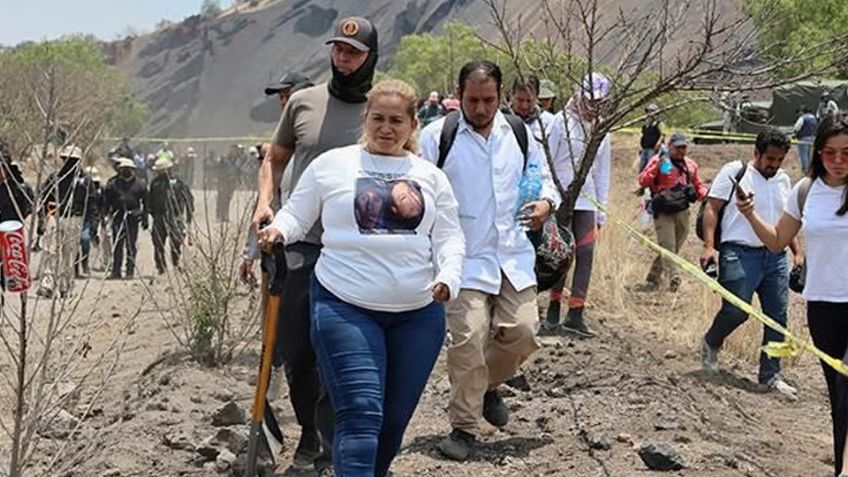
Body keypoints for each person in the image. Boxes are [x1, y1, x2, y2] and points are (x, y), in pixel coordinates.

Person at [259, 77, 463, 477]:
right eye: (378, 119)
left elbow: (450, 236)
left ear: (412, 126)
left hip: (418, 314)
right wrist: (279, 230)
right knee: (360, 413)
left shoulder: (430, 176)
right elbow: (298, 213)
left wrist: (450, 275)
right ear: (365, 118)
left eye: (396, 121)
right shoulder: (332, 165)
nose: (386, 129)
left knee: (391, 425)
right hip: (345, 306)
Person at [250, 16, 380, 472]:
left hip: (356, 248)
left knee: (339, 351)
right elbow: (276, 158)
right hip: (300, 242)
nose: (343, 59)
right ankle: (308, 430)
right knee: (298, 350)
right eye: (338, 51)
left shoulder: (379, 110)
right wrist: (266, 202)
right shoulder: (303, 102)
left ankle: (328, 444)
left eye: (353, 52)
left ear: (370, 57)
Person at [419, 60, 561, 461]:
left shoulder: (519, 135)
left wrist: (546, 204)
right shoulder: (438, 137)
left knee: (525, 333)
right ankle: (463, 429)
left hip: (513, 254)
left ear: (500, 97)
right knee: (468, 339)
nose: (480, 109)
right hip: (462, 259)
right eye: (472, 100)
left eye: (489, 100)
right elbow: (420, 190)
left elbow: (546, 178)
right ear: (459, 95)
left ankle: (485, 386)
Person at [735, 114, 848, 477]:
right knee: (838, 399)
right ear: (817, 154)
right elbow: (778, 241)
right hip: (823, 308)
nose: (838, 160)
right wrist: (750, 216)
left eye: (846, 152)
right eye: (829, 152)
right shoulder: (805, 191)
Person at [699, 129, 801, 398]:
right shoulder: (736, 171)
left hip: (775, 257)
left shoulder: (783, 180)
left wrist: (797, 253)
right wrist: (710, 247)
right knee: (737, 310)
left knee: (778, 318)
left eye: (780, 160)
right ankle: (711, 341)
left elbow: (786, 221)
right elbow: (712, 208)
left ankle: (771, 375)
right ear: (756, 152)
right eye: (770, 159)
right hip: (738, 252)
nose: (774, 165)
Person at [541, 72, 612, 337]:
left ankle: (576, 313)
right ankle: (553, 306)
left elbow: (602, 172)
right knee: (561, 254)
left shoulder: (602, 129)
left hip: (587, 200)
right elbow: (546, 160)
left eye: (599, 102)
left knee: (586, 253)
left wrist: (601, 210)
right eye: (590, 100)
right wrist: (550, 197)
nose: (593, 106)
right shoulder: (559, 123)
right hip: (560, 198)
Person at [637, 132, 708, 291]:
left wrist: (705, 195)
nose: (681, 150)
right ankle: (673, 277)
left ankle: (653, 276)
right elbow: (642, 180)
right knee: (668, 245)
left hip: (682, 210)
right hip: (663, 211)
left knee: (673, 248)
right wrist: (656, 167)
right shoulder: (658, 161)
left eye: (684, 147)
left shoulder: (690, 165)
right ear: (670, 146)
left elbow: (698, 184)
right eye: (678, 147)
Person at [37, 145, 94, 298]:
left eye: (73, 160)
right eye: (67, 159)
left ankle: (65, 285)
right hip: (54, 217)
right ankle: (47, 284)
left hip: (74, 218)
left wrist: (91, 225)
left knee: (69, 254)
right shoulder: (55, 178)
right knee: (50, 251)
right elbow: (44, 199)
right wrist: (41, 221)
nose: (69, 162)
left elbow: (91, 203)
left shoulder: (84, 180)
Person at [147, 156, 194, 275]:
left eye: (161, 170)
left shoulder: (178, 182)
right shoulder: (155, 183)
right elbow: (150, 200)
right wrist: (152, 213)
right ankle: (161, 267)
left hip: (175, 216)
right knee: (158, 242)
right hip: (159, 216)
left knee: (176, 241)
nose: (159, 172)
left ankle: (175, 263)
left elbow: (188, 198)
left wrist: (188, 214)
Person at [103, 158, 148, 280]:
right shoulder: (113, 184)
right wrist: (105, 216)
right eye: (123, 169)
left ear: (133, 170)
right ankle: (116, 271)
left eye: (128, 169)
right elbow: (106, 202)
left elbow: (146, 203)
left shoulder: (140, 184)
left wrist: (144, 218)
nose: (126, 171)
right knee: (117, 244)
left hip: (132, 218)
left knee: (131, 246)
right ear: (119, 170)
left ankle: (129, 271)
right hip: (118, 217)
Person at [77, 166, 104, 277]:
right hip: (77, 216)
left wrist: (96, 222)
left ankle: (85, 263)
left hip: (89, 218)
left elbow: (99, 206)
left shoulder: (100, 190)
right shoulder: (79, 187)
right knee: (74, 245)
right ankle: (75, 268)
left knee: (85, 240)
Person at [510, 75, 556, 141]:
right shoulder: (500, 120)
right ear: (512, 95)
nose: (524, 106)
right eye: (520, 100)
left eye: (529, 101)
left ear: (536, 98)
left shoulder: (549, 122)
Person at [215, 144, 245, 223]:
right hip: (223, 181)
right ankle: (219, 216)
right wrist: (217, 178)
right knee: (221, 198)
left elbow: (238, 171)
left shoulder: (238, 160)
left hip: (231, 183)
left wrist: (239, 181)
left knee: (228, 199)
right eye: (233, 150)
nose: (234, 152)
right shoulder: (223, 158)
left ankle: (225, 215)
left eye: (236, 150)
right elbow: (218, 169)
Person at [639, 104, 666, 173]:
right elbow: (642, 135)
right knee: (642, 167)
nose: (649, 113)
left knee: (650, 167)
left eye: (651, 111)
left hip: (653, 149)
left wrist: (658, 144)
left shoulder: (659, 123)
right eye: (648, 111)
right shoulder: (645, 125)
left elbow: (662, 135)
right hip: (644, 148)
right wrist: (640, 147)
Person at [794, 106, 819, 174]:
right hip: (813, 138)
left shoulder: (803, 118)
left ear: (804, 111)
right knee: (810, 154)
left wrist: (795, 133)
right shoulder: (814, 118)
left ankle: (806, 170)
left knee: (803, 154)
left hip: (804, 138)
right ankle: (811, 168)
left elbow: (797, 127)